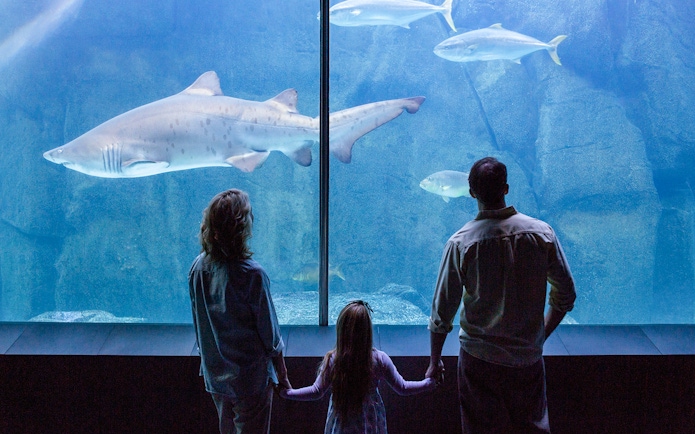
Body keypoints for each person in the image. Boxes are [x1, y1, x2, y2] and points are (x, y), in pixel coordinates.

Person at [426, 157, 576, 434]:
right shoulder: (542, 234)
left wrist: (435, 361)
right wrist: (541, 333)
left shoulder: (461, 243)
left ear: (471, 193)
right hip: (527, 358)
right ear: (506, 188)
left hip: (478, 360)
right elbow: (566, 294)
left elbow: (442, 311)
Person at [188, 189, 291, 434]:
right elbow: (270, 336)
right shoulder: (252, 275)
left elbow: (198, 322)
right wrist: (283, 375)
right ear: (241, 228)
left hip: (216, 377)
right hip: (250, 380)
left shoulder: (197, 268)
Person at [280, 300, 437, 434]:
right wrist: (429, 383)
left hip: (342, 424)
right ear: (368, 331)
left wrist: (288, 393)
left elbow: (316, 391)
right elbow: (402, 387)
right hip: (369, 423)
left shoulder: (333, 360)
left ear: (341, 331)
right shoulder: (379, 359)